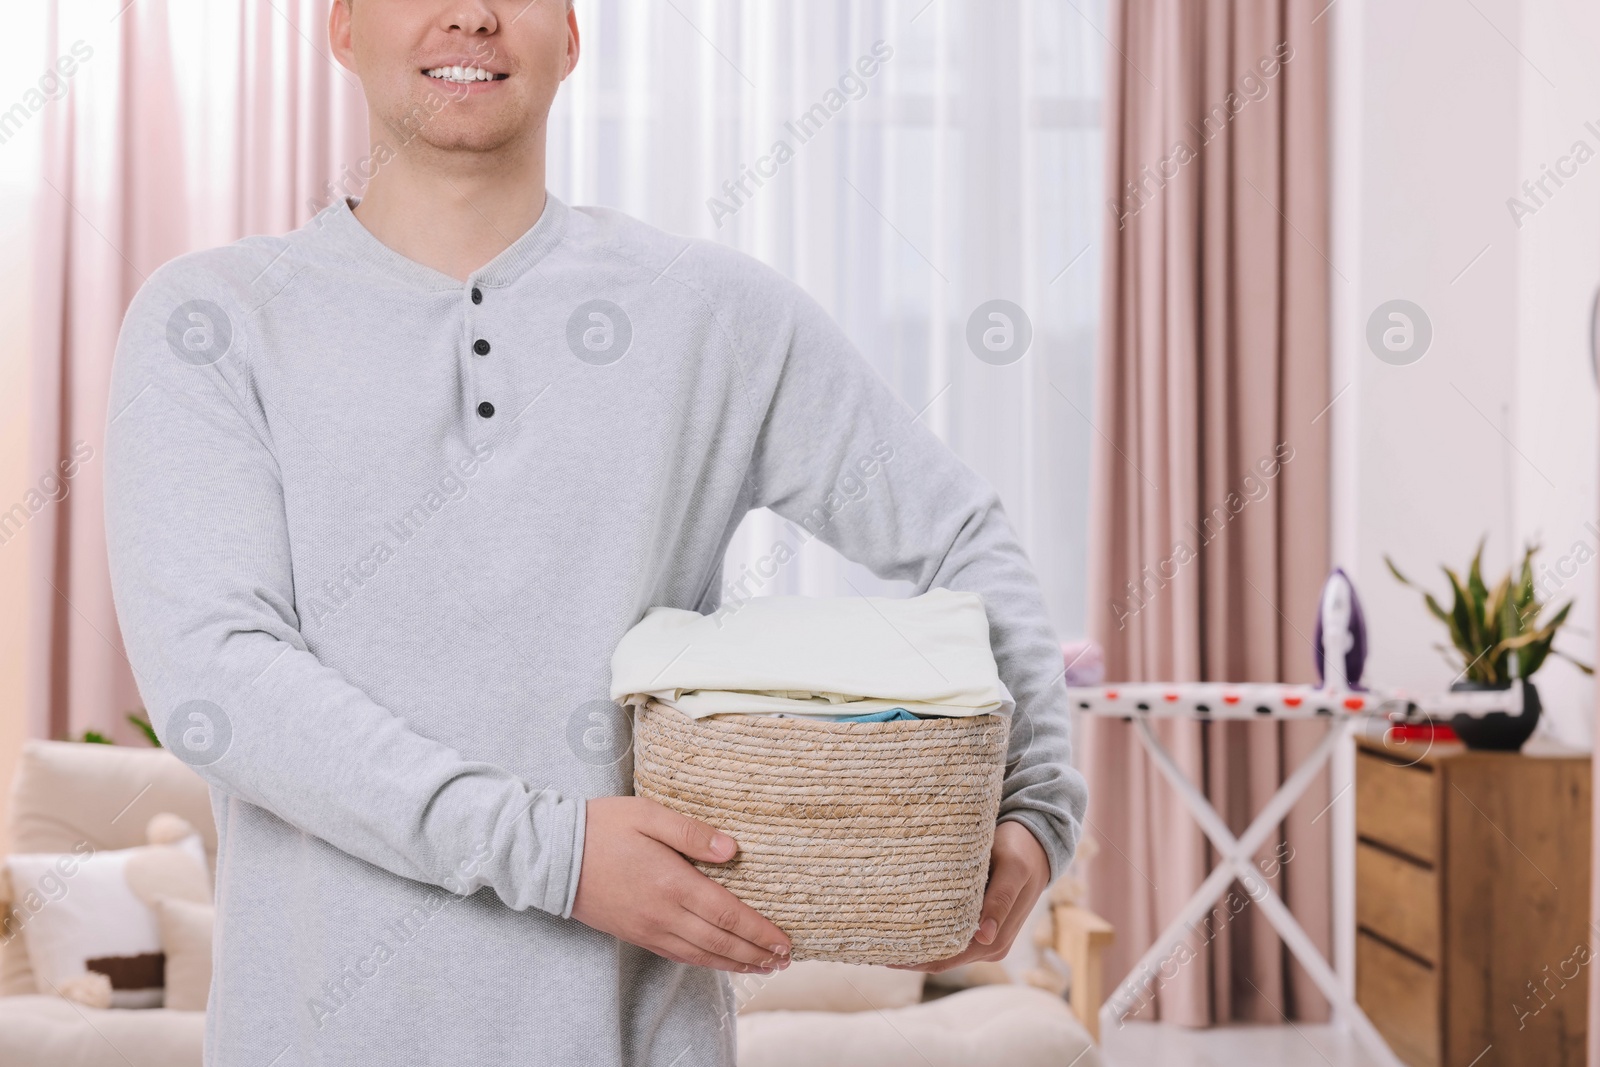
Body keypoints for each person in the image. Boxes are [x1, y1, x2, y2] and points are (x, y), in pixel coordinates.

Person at [103, 2, 1088, 1064]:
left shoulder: (710, 313)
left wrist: (1034, 794)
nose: (472, 13)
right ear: (341, 27)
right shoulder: (212, 319)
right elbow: (220, 679)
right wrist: (558, 854)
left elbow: (962, 536)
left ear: (572, 36)